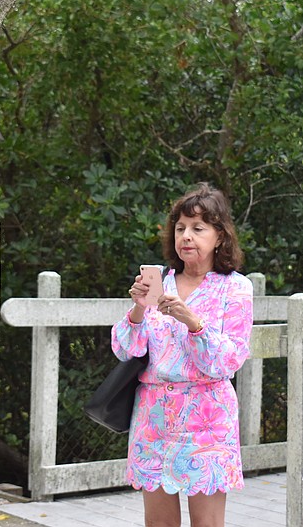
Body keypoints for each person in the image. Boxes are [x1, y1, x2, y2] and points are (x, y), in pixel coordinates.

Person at [112, 182, 253, 527]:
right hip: (153, 416)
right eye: (180, 228)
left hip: (207, 416)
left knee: (206, 524)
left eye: (198, 228)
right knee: (158, 524)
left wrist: (193, 322)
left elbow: (229, 360)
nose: (186, 236)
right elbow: (126, 349)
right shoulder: (160, 282)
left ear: (219, 236)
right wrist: (137, 309)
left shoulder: (235, 287)